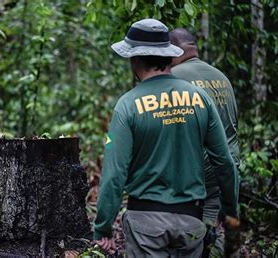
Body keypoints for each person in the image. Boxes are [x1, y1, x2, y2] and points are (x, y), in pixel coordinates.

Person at [93, 19, 239, 257]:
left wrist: (103, 228)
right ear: (169, 57)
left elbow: (114, 175)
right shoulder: (200, 98)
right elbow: (224, 161)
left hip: (145, 225)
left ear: (134, 59)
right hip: (192, 221)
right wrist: (230, 210)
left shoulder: (127, 105)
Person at [169, 28, 240, 257]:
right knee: (210, 228)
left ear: (173, 50)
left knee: (187, 235)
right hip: (227, 168)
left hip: (194, 172)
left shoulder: (174, 78)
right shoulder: (222, 78)